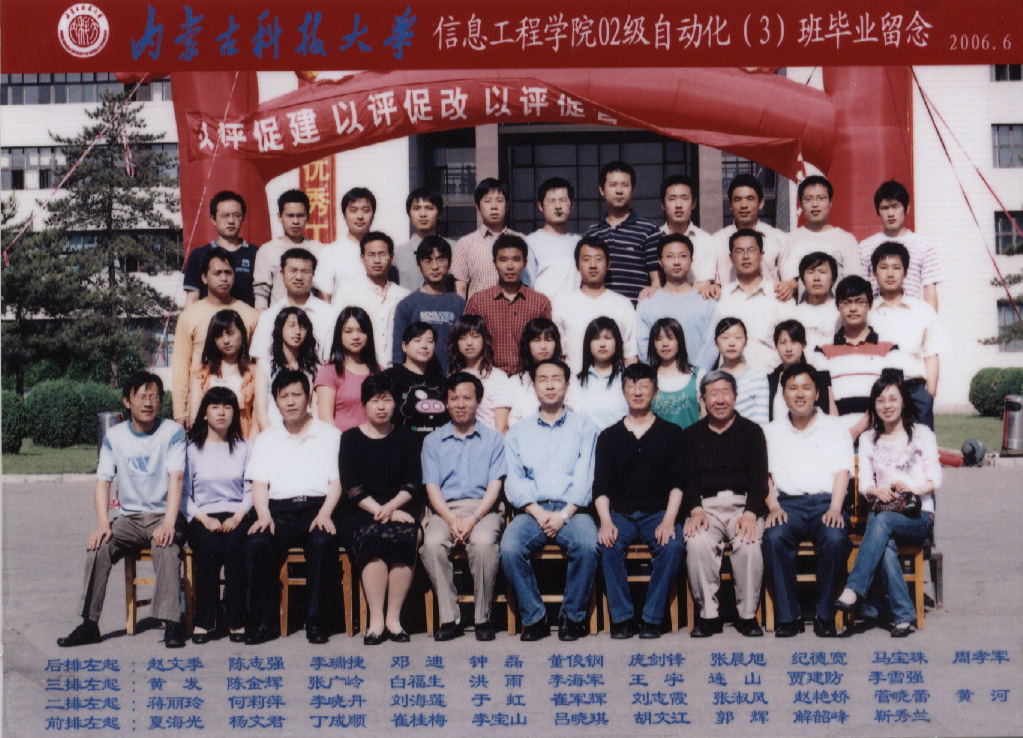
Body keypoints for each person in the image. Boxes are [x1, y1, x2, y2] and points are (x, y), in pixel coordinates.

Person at [58, 373, 188, 648]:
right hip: (129, 518)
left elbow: (176, 478)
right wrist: (103, 524)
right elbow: (102, 482)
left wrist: (168, 523)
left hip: (163, 514)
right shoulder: (115, 437)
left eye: (154, 397)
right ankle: (89, 624)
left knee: (165, 546)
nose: (148, 403)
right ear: (127, 401)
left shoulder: (173, 433)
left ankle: (172, 623)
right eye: (142, 397)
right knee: (99, 547)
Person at [500, 359, 600, 642]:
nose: (550, 385)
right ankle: (535, 618)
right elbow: (515, 480)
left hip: (574, 510)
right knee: (509, 548)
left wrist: (564, 515)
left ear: (566, 385)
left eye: (556, 379)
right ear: (534, 386)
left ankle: (572, 617)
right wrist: (538, 512)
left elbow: (585, 477)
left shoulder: (584, 427)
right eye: (543, 379)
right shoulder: (518, 431)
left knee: (587, 545)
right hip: (532, 510)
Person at [835, 375, 940, 637]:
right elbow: (864, 483)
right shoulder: (868, 438)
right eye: (880, 400)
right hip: (884, 511)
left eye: (893, 399)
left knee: (881, 523)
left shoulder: (922, 435)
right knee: (886, 545)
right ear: (874, 405)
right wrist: (875, 490)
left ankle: (854, 588)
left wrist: (912, 488)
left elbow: (935, 479)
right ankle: (903, 616)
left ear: (904, 402)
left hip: (917, 516)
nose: (887, 405)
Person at [244, 370, 342, 645]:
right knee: (257, 542)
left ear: (309, 398)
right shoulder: (266, 439)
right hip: (278, 510)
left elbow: (336, 483)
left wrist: (325, 513)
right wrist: (264, 515)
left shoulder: (330, 435)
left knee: (323, 541)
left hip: (317, 507)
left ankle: (317, 621)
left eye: (296, 395)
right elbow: (259, 484)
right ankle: (264, 622)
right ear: (275, 401)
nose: (290, 401)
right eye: (284, 396)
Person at [594, 363, 686, 639]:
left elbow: (678, 484)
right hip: (620, 514)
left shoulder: (672, 433)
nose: (637, 392)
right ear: (623, 391)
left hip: (658, 513)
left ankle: (652, 619)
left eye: (644, 385)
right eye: (631, 386)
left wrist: (669, 521)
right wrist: (606, 522)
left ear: (655, 391)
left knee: (672, 544)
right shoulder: (608, 436)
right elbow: (600, 488)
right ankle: (622, 618)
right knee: (607, 544)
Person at [763, 363, 854, 638]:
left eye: (806, 388)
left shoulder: (835, 427)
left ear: (817, 394)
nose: (799, 394)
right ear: (783, 395)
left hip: (826, 503)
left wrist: (836, 508)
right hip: (787, 505)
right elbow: (765, 476)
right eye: (793, 388)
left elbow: (842, 472)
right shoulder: (770, 431)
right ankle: (788, 618)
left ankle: (825, 615)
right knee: (774, 537)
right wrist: (773, 506)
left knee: (835, 538)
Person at [681, 370, 769, 638]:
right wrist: (695, 509)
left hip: (743, 506)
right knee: (697, 542)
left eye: (725, 393)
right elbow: (687, 479)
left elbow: (759, 479)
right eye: (713, 394)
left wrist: (751, 513)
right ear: (702, 400)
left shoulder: (752, 432)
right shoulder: (691, 435)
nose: (720, 400)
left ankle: (747, 615)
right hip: (705, 507)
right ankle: (709, 616)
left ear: (736, 396)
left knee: (749, 543)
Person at [420, 373, 507, 642]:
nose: (460, 404)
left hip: (484, 509)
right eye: (454, 398)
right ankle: (450, 618)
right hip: (444, 509)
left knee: (482, 543)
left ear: (478, 401)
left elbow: (495, 486)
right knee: (432, 543)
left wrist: (473, 518)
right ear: (446, 402)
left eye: (467, 398)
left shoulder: (494, 440)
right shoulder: (433, 441)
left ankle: (482, 617)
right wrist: (450, 518)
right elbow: (432, 488)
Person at [340, 373, 424, 645]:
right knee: (373, 538)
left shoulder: (407, 437)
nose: (381, 406)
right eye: (375, 400)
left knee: (405, 535)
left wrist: (391, 508)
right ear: (364, 404)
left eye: (386, 400)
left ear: (395, 403)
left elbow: (413, 482)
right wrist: (383, 511)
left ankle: (393, 620)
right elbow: (351, 487)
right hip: (361, 511)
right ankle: (375, 621)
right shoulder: (350, 439)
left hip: (400, 507)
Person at [183, 387, 252, 644]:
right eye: (215, 407)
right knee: (210, 549)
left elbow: (250, 490)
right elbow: (183, 495)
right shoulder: (191, 449)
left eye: (227, 407)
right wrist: (204, 519)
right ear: (204, 413)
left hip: (237, 513)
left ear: (234, 413)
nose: (221, 412)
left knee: (235, 548)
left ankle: (236, 621)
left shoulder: (245, 448)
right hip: (203, 515)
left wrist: (238, 517)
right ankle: (204, 621)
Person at [172, 248, 258, 428]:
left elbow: (255, 365)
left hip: (243, 409)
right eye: (217, 273)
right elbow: (180, 365)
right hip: (202, 406)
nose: (224, 278)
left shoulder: (250, 315)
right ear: (204, 277)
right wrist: (180, 412)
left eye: (228, 272)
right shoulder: (189, 316)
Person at [812, 275, 903, 438]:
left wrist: (856, 431)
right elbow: (826, 397)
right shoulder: (823, 349)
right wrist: (842, 436)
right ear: (837, 305)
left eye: (860, 302)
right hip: (837, 436)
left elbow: (889, 397)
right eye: (847, 302)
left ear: (870, 305)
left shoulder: (889, 348)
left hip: (879, 436)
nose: (853, 308)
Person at [868, 242, 946, 430]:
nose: (890, 274)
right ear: (874, 273)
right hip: (878, 390)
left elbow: (931, 354)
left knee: (921, 445)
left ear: (905, 272)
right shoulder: (866, 311)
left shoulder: (923, 310)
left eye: (896, 267)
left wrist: (929, 395)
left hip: (914, 390)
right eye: (884, 267)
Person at [464, 234, 552, 375]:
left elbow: (547, 345)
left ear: (525, 262)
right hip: (488, 377)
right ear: (495, 263)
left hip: (527, 378)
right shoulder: (478, 302)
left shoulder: (540, 302)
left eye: (516, 259)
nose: (510, 266)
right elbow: (466, 342)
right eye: (503, 260)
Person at [553, 235, 639, 374]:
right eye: (586, 259)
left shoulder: (623, 304)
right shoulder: (562, 304)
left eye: (598, 259)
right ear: (577, 265)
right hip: (574, 384)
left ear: (608, 264)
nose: (592, 265)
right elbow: (559, 357)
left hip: (615, 384)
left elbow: (630, 356)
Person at [582, 161, 661, 303]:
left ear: (633, 190)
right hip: (599, 309)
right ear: (602, 189)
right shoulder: (591, 233)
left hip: (635, 310)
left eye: (625, 185)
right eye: (613, 185)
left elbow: (656, 282)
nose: (619, 191)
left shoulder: (649, 230)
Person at [636, 233, 718, 371]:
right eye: (669, 256)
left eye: (682, 256)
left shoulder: (707, 303)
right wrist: (659, 375)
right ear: (660, 262)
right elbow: (643, 347)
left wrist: (696, 377)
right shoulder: (647, 304)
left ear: (691, 261)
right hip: (658, 380)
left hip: (698, 380)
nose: (676, 262)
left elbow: (712, 345)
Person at [715, 229, 793, 371]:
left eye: (751, 250)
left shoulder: (779, 296)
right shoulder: (721, 297)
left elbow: (792, 342)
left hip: (771, 376)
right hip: (731, 378)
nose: (745, 256)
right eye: (739, 251)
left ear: (761, 255)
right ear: (731, 257)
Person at [859, 180, 942, 311]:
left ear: (907, 208)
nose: (890, 214)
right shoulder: (865, 247)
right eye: (885, 208)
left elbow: (929, 291)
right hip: (877, 315)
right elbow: (860, 290)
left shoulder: (923, 246)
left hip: (911, 316)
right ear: (878, 212)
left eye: (895, 206)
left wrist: (929, 321)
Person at [250, 247, 337, 367]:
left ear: (313, 275)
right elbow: (261, 363)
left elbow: (330, 362)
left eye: (305, 271)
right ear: (282, 273)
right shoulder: (268, 317)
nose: (299, 277)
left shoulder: (329, 315)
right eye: (293, 270)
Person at [392, 235, 465, 373]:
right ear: (419, 265)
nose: (435, 266)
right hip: (418, 381)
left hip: (452, 379)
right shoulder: (407, 305)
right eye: (428, 260)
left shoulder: (460, 304)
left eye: (440, 259)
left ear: (449, 263)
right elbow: (398, 355)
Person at [711, 174, 792, 299]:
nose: (744, 205)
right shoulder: (716, 241)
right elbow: (711, 282)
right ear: (730, 205)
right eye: (737, 199)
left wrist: (791, 285)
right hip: (729, 305)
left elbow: (789, 281)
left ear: (761, 203)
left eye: (750, 198)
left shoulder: (779, 239)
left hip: (769, 305)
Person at [188, 309, 264, 439]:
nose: (226, 341)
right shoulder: (201, 374)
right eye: (219, 336)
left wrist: (248, 447)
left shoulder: (255, 373)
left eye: (230, 333)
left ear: (242, 333)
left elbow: (257, 420)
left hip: (246, 441)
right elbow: (195, 419)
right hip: (210, 443)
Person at [780, 175, 861, 297]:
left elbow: (854, 283)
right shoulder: (790, 240)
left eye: (821, 198)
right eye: (808, 199)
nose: (815, 204)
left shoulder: (846, 239)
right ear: (801, 205)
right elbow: (787, 281)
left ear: (830, 203)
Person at [340, 232, 410, 369]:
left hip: (395, 370)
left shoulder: (404, 296)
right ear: (362, 258)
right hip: (360, 369)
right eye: (371, 255)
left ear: (392, 257)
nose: (377, 260)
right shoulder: (348, 292)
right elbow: (336, 333)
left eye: (382, 254)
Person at [182, 191, 259, 307]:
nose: (231, 221)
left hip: (247, 317)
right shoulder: (199, 255)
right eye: (225, 215)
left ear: (242, 218)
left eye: (236, 215)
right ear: (213, 219)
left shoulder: (257, 254)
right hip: (210, 318)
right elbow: (192, 300)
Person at [451, 178, 524, 300]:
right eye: (488, 201)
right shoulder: (465, 244)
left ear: (507, 206)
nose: (494, 206)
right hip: (479, 311)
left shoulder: (521, 240)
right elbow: (460, 289)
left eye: (499, 201)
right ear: (478, 207)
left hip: (516, 310)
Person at [253, 189, 323, 309]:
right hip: (278, 317)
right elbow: (261, 293)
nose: (295, 221)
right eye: (290, 215)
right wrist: (263, 317)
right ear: (279, 217)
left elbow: (322, 290)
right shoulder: (267, 251)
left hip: (310, 316)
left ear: (307, 217)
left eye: (300, 216)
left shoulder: (318, 249)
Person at [315, 306, 380, 432]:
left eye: (361, 331)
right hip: (340, 441)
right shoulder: (329, 371)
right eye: (348, 331)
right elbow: (325, 419)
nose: (355, 336)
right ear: (339, 335)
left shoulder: (380, 372)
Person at [383, 322, 450, 442]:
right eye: (417, 340)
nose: (424, 346)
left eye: (429, 341)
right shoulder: (389, 378)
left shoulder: (442, 382)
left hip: (436, 450)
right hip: (400, 448)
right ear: (404, 346)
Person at [255, 307, 321, 427]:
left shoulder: (314, 368)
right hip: (273, 429)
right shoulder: (265, 365)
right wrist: (270, 435)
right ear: (280, 328)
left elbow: (315, 409)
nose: (297, 331)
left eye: (302, 327)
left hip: (304, 429)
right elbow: (261, 410)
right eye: (291, 325)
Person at [447, 315, 513, 433]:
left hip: (489, 442)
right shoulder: (453, 375)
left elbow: (501, 427)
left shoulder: (498, 377)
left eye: (475, 336)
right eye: (462, 338)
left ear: (484, 340)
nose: (469, 343)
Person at [657, 174, 719, 298]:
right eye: (672, 198)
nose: (678, 205)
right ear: (663, 204)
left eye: (684, 198)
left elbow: (703, 287)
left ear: (693, 203)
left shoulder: (707, 241)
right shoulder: (653, 238)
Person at [314, 187, 377, 303]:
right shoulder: (330, 252)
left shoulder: (382, 252)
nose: (360, 216)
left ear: (373, 215)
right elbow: (324, 299)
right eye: (353, 210)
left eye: (365, 210)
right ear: (344, 215)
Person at [566, 316, 630, 430]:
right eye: (596, 338)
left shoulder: (628, 377)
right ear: (588, 344)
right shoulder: (576, 382)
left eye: (608, 338)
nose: (602, 344)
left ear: (616, 342)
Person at [524, 177, 581, 304]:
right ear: (540, 206)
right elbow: (526, 287)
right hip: (544, 315)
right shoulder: (530, 243)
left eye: (563, 200)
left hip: (575, 313)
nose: (558, 207)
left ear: (572, 204)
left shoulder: (579, 243)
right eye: (551, 201)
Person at [768, 320, 835, 423]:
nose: (788, 349)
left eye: (794, 342)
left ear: (804, 344)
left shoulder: (817, 378)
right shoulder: (770, 380)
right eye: (783, 342)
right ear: (776, 346)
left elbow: (826, 415)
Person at [711, 317, 770, 426]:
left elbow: (762, 422)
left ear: (746, 341)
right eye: (725, 337)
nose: (731, 343)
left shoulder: (757, 376)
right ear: (716, 342)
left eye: (737, 337)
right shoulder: (711, 379)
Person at [508, 317, 564, 428]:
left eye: (548, 340)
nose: (543, 347)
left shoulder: (567, 379)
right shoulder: (516, 382)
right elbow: (512, 420)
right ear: (527, 344)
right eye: (537, 340)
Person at [393, 188, 453, 291]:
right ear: (409, 215)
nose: (423, 214)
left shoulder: (455, 249)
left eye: (429, 208)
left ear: (439, 214)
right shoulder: (396, 255)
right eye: (416, 208)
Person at [647, 318, 700, 430]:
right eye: (659, 339)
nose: (665, 344)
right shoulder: (647, 378)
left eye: (670, 338)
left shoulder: (698, 375)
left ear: (679, 341)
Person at [790, 252, 841, 354]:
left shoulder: (841, 312)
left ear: (833, 279)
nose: (816, 278)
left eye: (822, 272)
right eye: (811, 272)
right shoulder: (794, 313)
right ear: (802, 280)